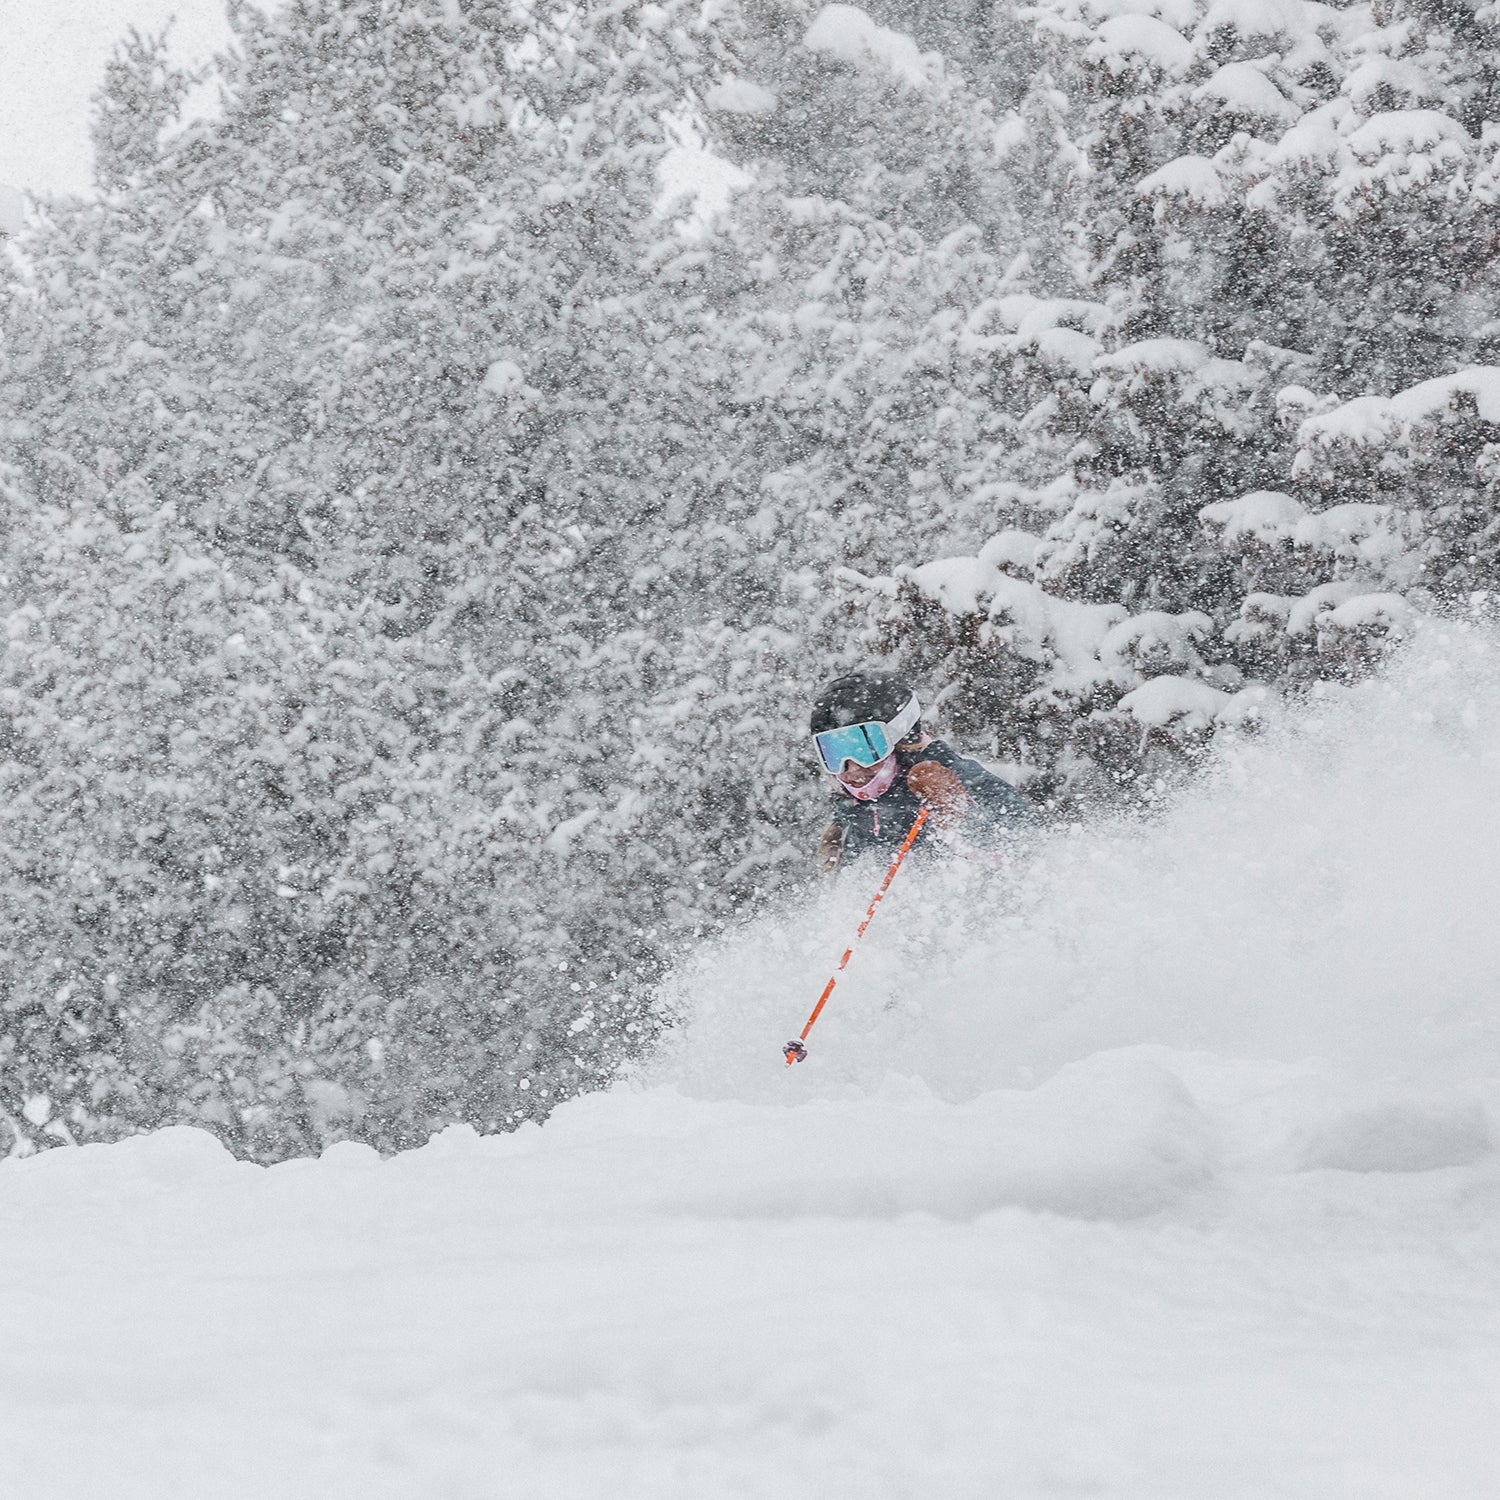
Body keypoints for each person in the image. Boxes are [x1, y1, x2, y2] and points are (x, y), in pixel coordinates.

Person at [810, 670, 1035, 872]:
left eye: (865, 749)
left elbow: (1026, 841)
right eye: (834, 754)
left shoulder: (954, 776)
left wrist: (959, 811)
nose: (852, 767)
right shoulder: (858, 813)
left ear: (901, 738)